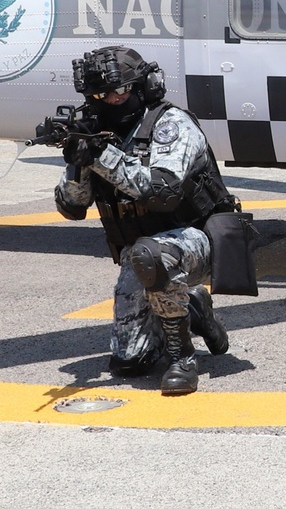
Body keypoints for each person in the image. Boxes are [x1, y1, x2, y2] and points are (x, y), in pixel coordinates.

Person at [54, 46, 234, 396]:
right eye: (99, 94)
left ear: (142, 87)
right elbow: (72, 208)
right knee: (130, 363)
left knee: (152, 255)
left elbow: (162, 191)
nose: (110, 100)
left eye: (118, 91)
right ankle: (193, 307)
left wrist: (101, 155)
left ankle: (183, 356)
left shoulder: (171, 125)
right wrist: (79, 160)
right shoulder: (99, 132)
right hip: (140, 256)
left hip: (196, 241)